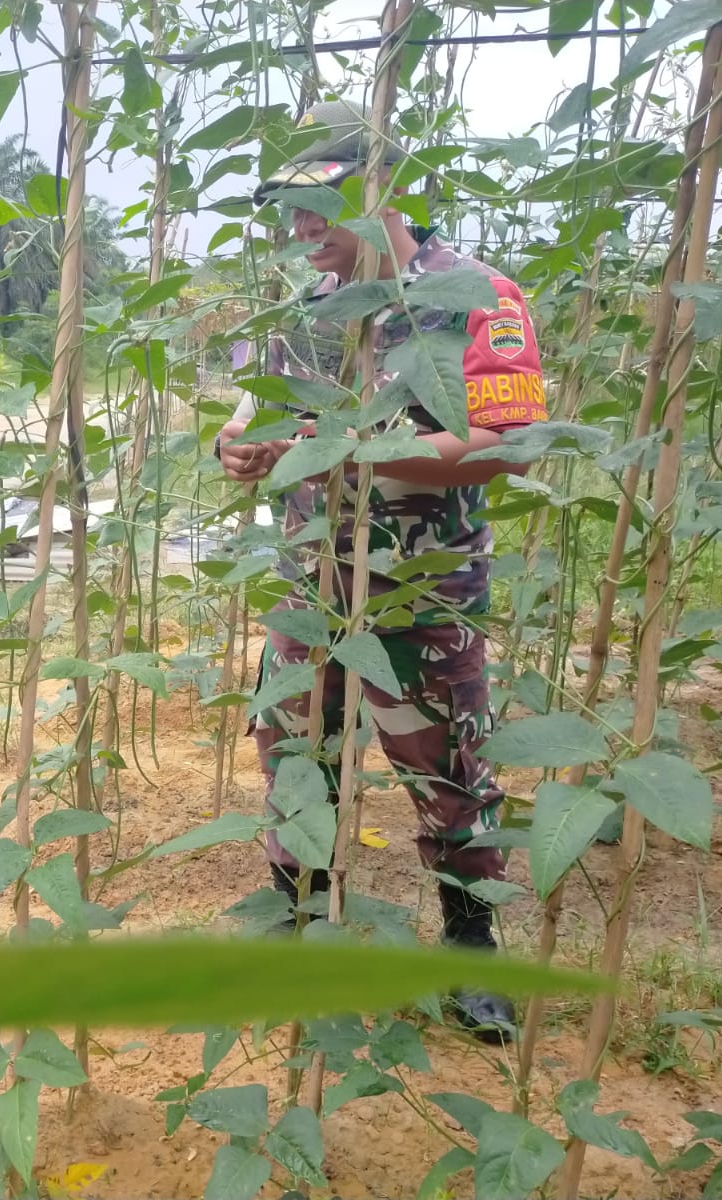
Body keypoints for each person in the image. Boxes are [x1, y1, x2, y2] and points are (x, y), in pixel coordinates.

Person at [217, 101, 549, 1043]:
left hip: (422, 592)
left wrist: (353, 453)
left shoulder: (477, 294)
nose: (302, 231)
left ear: (385, 192)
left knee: (450, 774)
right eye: (290, 213)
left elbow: (504, 446)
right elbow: (253, 415)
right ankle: (295, 925)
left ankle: (468, 950)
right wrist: (237, 448)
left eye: (319, 207)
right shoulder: (303, 312)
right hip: (310, 592)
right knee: (295, 760)